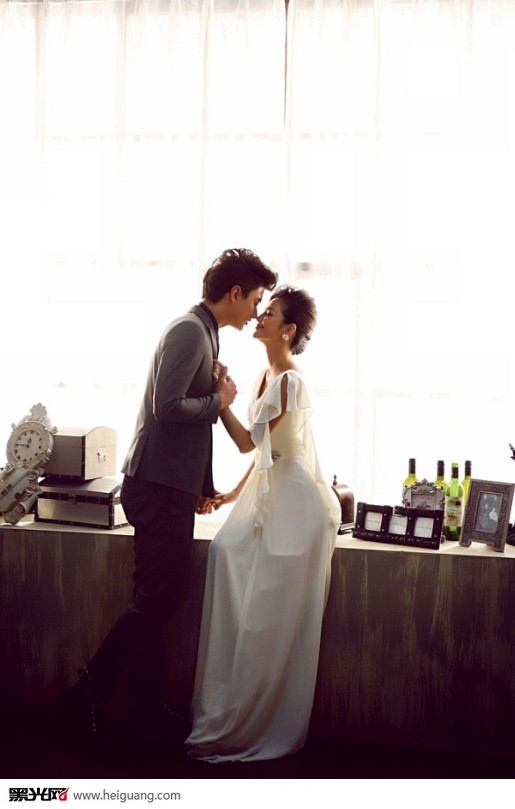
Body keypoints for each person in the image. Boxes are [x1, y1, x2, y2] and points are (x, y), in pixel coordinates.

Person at [60, 248, 278, 744]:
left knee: (153, 601)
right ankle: (85, 695)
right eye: (255, 300)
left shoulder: (206, 333)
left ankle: (147, 706)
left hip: (170, 487)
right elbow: (168, 408)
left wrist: (201, 486)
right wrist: (219, 400)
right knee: (157, 600)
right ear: (235, 293)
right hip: (156, 488)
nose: (255, 312)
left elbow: (188, 426)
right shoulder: (188, 330)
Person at [185, 285, 340, 763]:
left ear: (287, 330)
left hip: (296, 505)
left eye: (268, 312)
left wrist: (221, 402)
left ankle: (259, 718)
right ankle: (226, 703)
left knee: (269, 616)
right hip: (269, 491)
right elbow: (263, 455)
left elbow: (248, 444)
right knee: (224, 552)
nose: (259, 316)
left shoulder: (291, 381)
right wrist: (233, 494)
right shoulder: (263, 375)